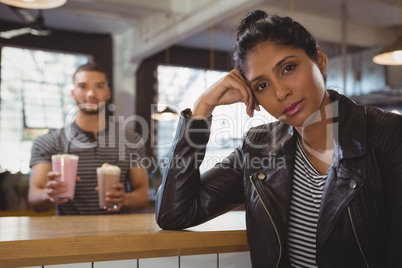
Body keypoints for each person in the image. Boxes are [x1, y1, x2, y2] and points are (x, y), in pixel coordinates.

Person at [155, 10, 402, 268]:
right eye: (262, 85)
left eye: (288, 68)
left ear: (319, 60)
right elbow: (174, 213)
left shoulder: (388, 135)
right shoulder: (259, 148)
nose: (281, 92)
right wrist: (202, 108)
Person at [28, 62, 149, 215]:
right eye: (83, 86)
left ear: (108, 92)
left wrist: (123, 199)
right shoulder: (49, 142)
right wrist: (48, 193)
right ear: (73, 93)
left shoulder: (132, 139)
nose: (91, 94)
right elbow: (34, 200)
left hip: (117, 235)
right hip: (70, 236)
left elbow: (142, 197)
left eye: (99, 86)